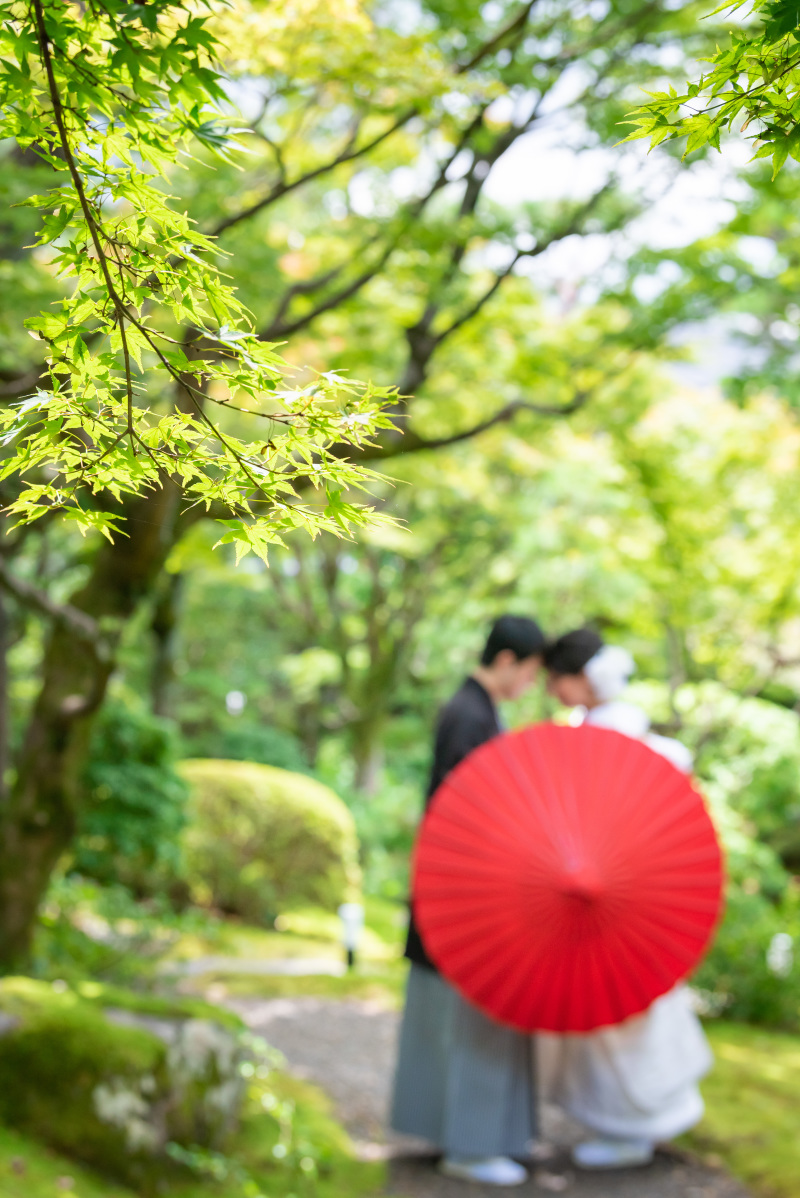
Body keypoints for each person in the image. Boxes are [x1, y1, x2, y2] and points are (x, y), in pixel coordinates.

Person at [539, 628, 712, 1171]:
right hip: (625, 885)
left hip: (617, 886)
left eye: (557, 680)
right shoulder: (610, 727)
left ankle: (631, 1126)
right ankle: (630, 1119)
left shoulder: (608, 733)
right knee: (628, 1000)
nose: (553, 691)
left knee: (622, 1007)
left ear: (578, 678)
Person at [391, 614, 547, 1187]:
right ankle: (470, 1145)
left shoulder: (471, 711)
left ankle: (463, 1137)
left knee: (454, 1019)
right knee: (472, 1019)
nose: (530, 684)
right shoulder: (470, 716)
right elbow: (469, 817)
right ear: (507, 661)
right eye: (530, 672)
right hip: (466, 896)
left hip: (457, 893)